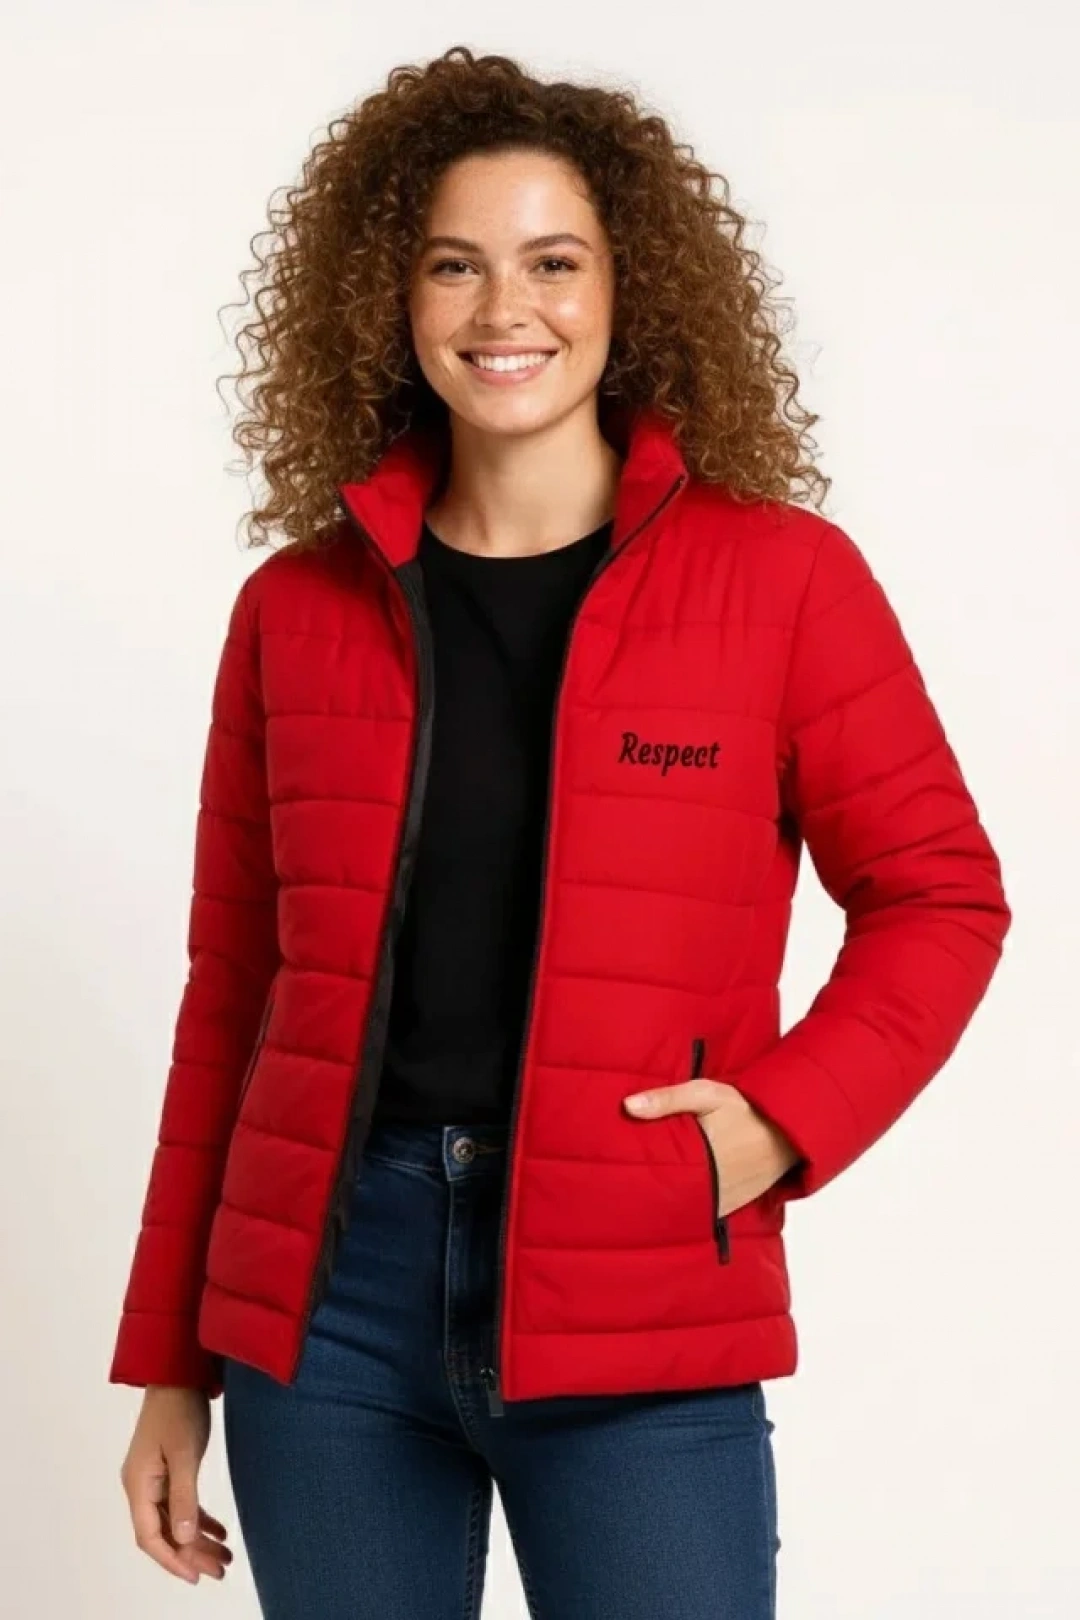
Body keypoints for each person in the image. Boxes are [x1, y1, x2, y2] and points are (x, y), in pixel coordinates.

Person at [111, 45, 1011, 1619]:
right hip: (328, 1313)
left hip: (639, 1291)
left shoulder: (781, 583)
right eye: (453, 263)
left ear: (626, 287)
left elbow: (940, 896)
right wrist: (172, 1363)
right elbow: (233, 993)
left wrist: (778, 1121)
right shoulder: (294, 611)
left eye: (553, 261)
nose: (502, 308)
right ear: (389, 297)